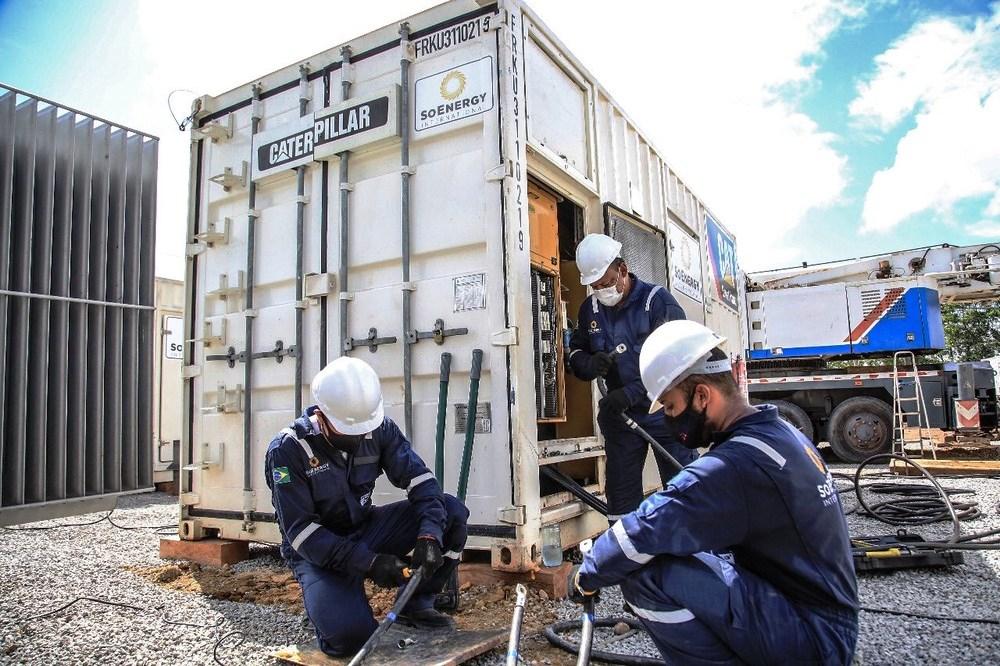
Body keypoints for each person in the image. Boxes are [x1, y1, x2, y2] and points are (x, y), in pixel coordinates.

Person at [569, 320, 859, 664]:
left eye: (672, 407)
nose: (670, 420)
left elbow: (642, 531)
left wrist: (585, 575)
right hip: (824, 622)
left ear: (702, 395)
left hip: (812, 641)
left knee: (644, 573)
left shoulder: (734, 465)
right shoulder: (779, 433)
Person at [265, 357, 469, 657]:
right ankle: (329, 607)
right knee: (350, 640)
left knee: (452, 514)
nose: (360, 438)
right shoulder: (288, 451)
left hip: (365, 528)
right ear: (322, 415)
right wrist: (370, 563)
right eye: (351, 432)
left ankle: (416, 605)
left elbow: (421, 482)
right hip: (317, 552)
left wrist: (428, 537)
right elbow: (301, 533)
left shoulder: (379, 429)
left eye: (364, 430)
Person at [568, 233, 697, 521]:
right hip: (622, 420)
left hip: (666, 414)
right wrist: (589, 364)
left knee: (685, 492)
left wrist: (632, 392)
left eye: (606, 283)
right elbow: (576, 351)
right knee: (622, 503)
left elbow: (678, 361)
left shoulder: (657, 302)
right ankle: (629, 560)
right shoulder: (591, 309)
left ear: (622, 270)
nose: (601, 291)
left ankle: (693, 556)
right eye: (595, 286)